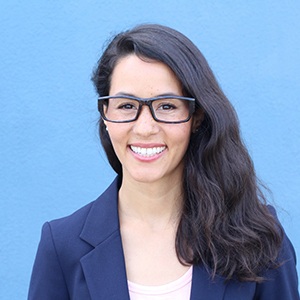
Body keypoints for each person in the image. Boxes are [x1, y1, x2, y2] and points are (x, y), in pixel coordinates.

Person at [28, 24, 299, 300]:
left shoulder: (260, 238)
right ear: (105, 115)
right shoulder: (62, 246)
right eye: (126, 106)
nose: (145, 128)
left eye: (167, 106)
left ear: (197, 117)